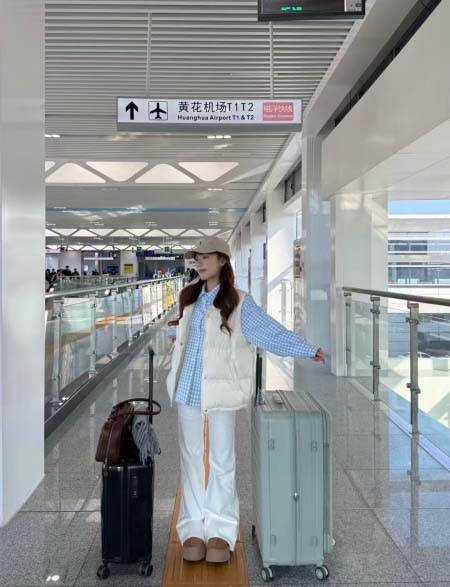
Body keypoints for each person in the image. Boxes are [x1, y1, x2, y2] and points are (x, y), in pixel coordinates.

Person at [166, 236, 324, 564]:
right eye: (197, 258)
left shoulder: (238, 302)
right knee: (191, 459)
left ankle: (221, 531)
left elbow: (268, 332)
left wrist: (306, 349)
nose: (200, 262)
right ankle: (192, 528)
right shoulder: (190, 297)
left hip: (221, 392)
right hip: (187, 389)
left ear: (223, 260)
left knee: (222, 460)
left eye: (206, 257)